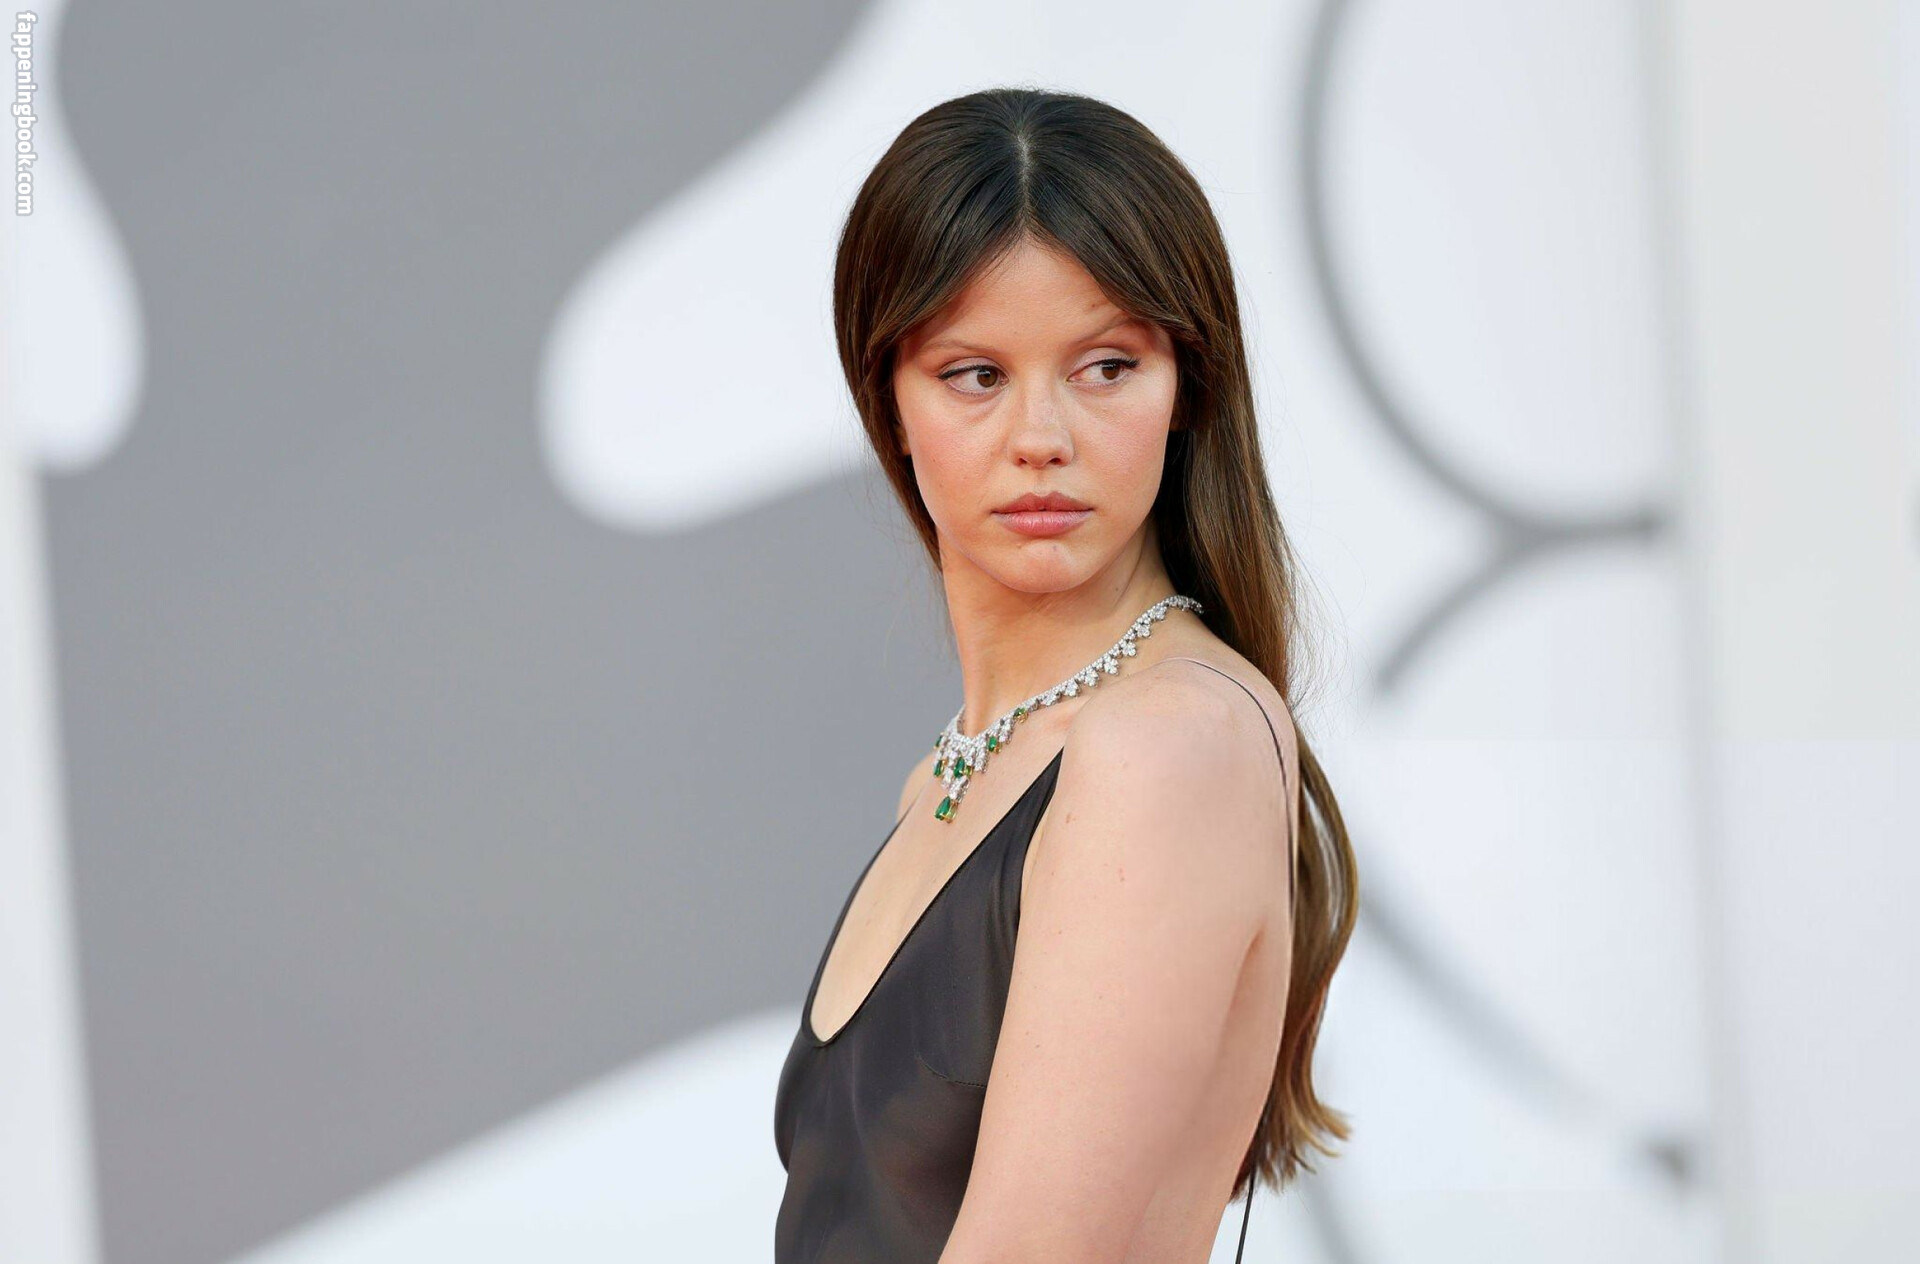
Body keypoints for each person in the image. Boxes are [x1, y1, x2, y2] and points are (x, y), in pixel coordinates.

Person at [773, 86, 1359, 1263]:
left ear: (1187, 385)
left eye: (1104, 366)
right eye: (974, 374)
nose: (1041, 436)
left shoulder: (1164, 747)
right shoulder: (950, 775)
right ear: (888, 399)